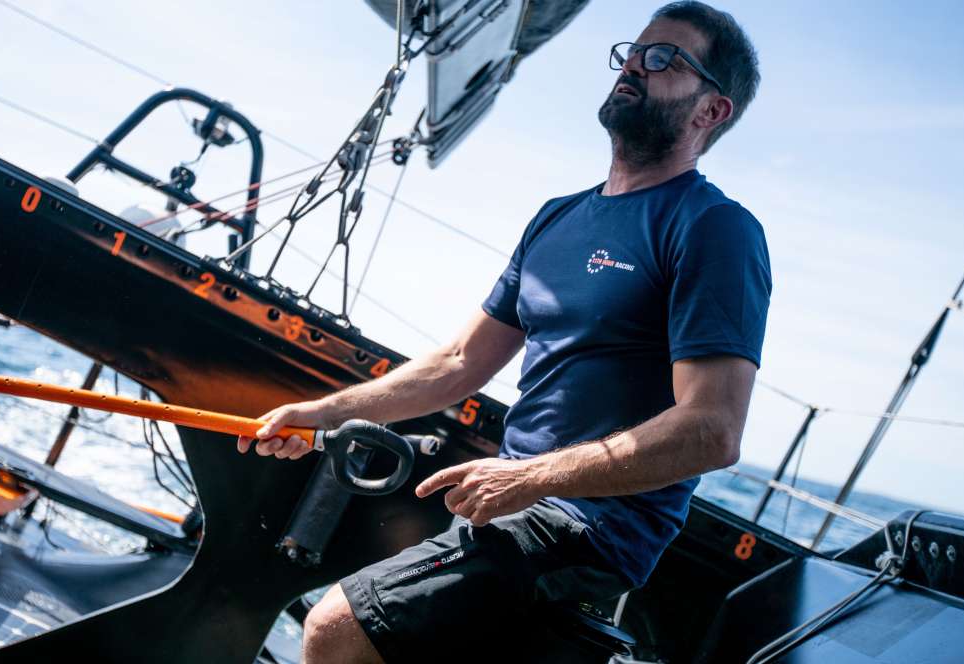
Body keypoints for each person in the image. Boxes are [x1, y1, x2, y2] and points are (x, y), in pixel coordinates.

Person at [237, 2, 769, 661]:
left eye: (664, 58)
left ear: (711, 110)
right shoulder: (557, 218)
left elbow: (712, 430)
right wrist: (320, 413)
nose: (634, 63)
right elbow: (460, 362)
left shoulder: (714, 227)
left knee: (336, 626)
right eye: (634, 50)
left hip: (592, 525)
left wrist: (530, 479)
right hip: (518, 500)